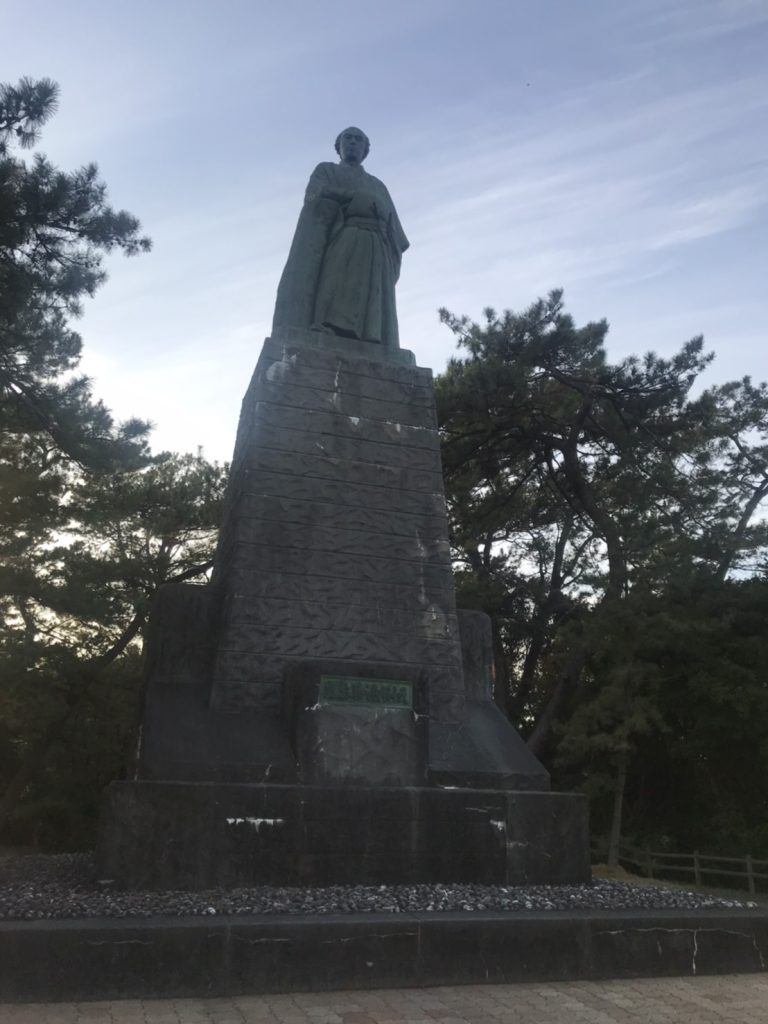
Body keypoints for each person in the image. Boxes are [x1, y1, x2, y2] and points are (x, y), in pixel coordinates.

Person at [272, 127, 409, 349]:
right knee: (336, 281)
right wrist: (352, 196)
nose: (353, 142)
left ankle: (373, 336)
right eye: (348, 138)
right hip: (344, 235)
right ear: (339, 146)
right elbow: (316, 194)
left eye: (358, 139)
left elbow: (396, 230)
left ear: (365, 149)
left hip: (377, 244)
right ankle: (327, 326)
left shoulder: (377, 185)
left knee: (373, 298)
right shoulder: (326, 170)